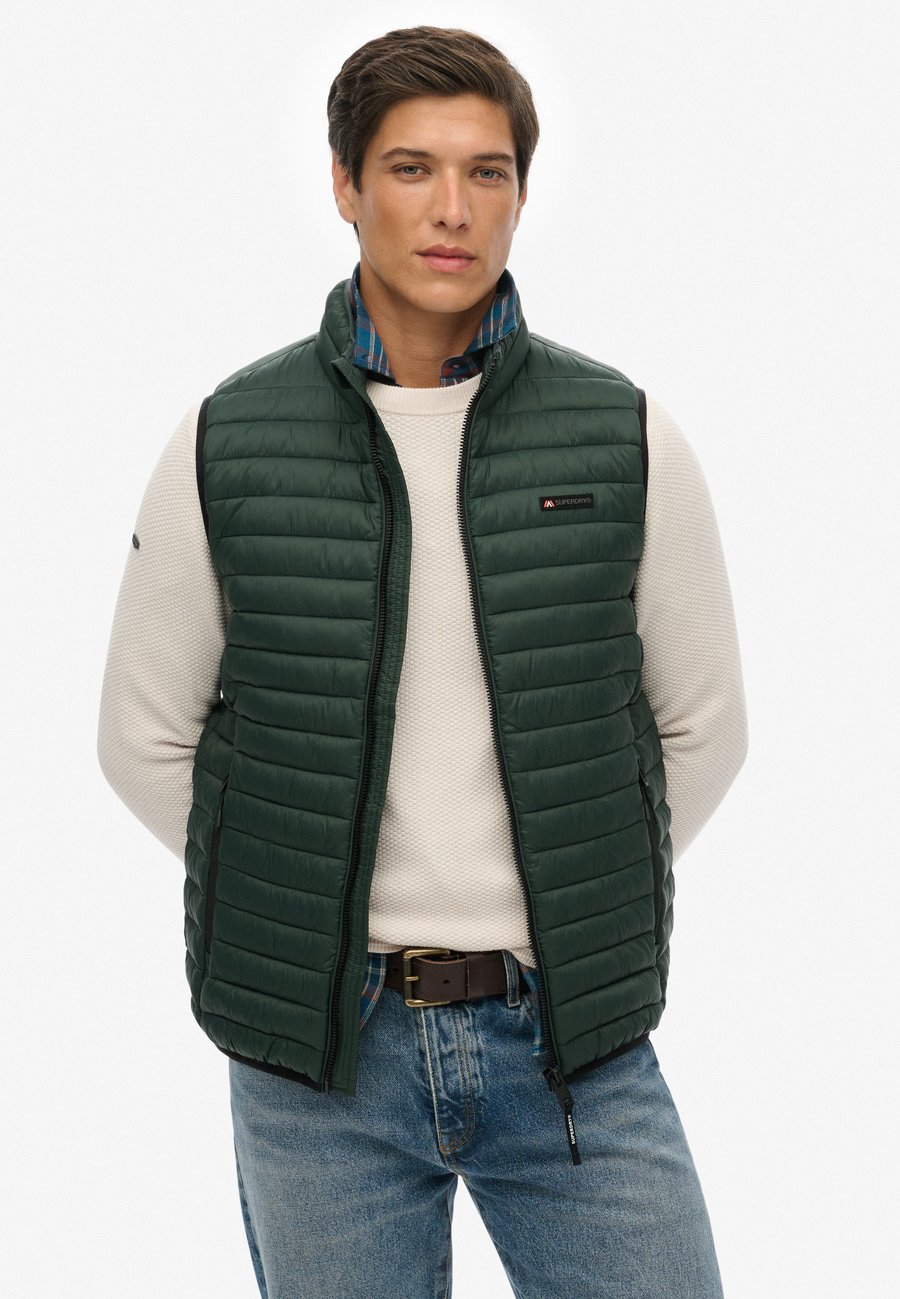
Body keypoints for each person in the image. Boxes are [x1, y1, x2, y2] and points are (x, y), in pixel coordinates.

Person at [97, 24, 748, 1298]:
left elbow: (703, 725)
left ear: (520, 193)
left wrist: (569, 896)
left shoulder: (624, 435)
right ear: (346, 186)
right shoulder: (228, 440)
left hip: (570, 1040)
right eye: (411, 169)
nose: (453, 208)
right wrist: (309, 902)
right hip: (319, 1057)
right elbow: (144, 738)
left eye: (487, 171)